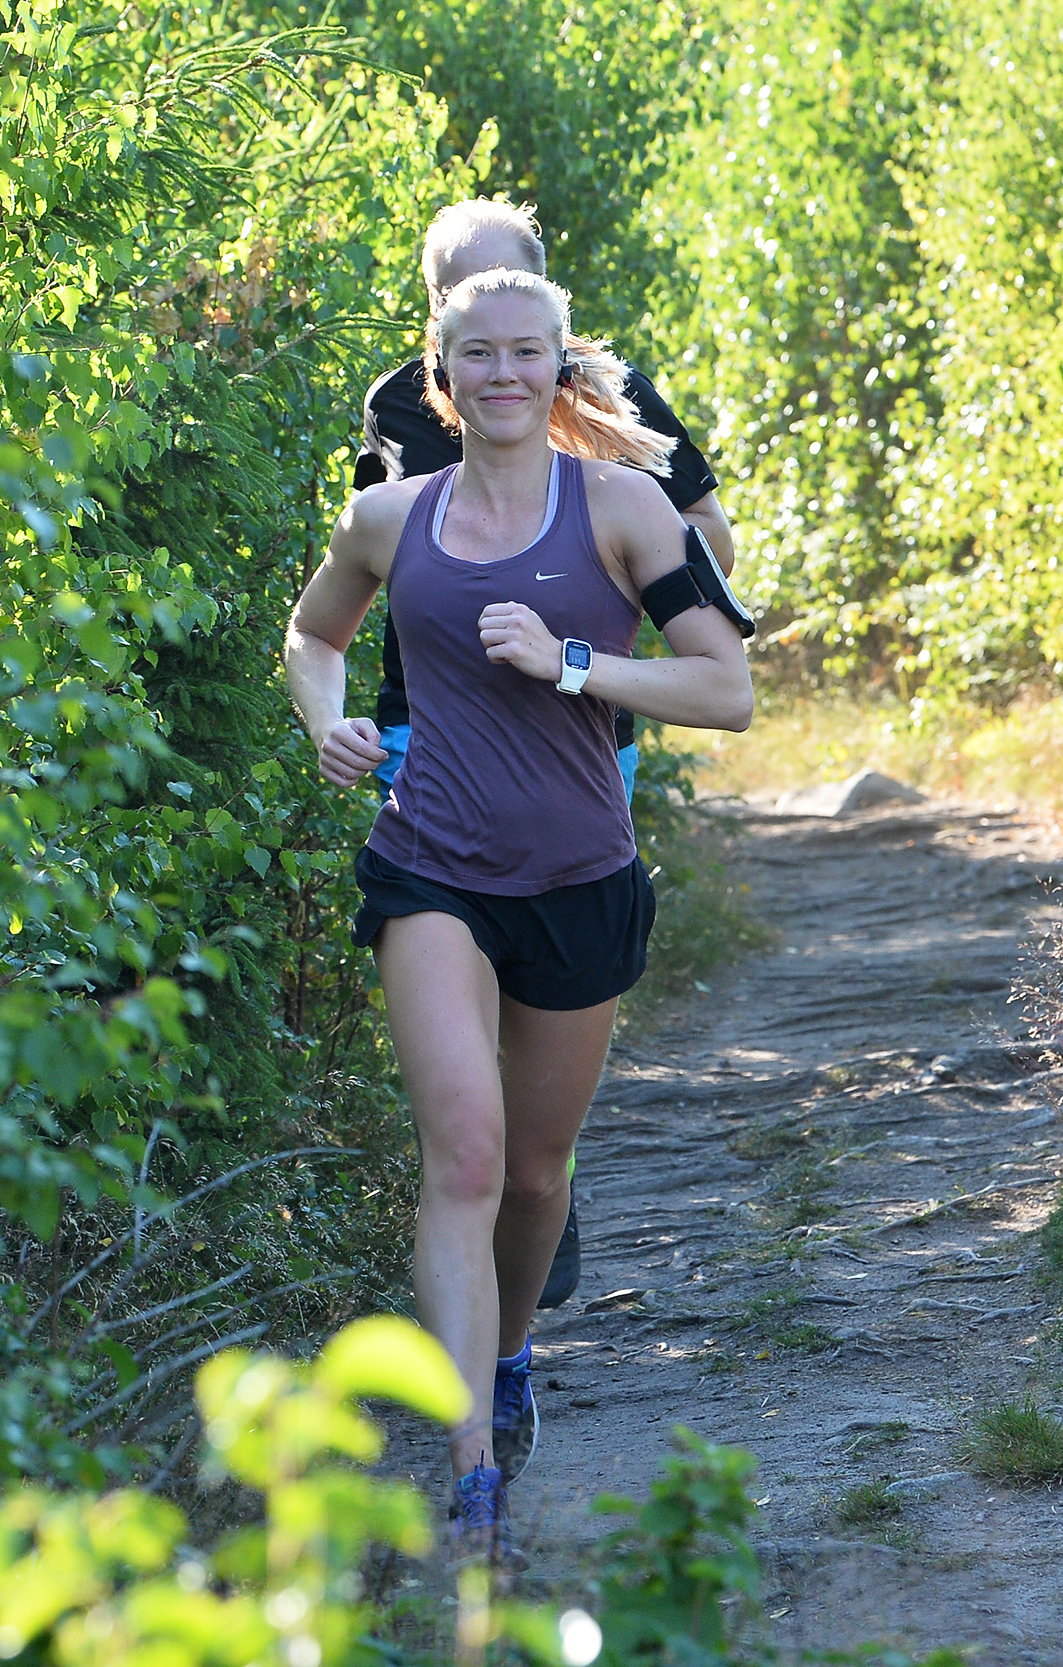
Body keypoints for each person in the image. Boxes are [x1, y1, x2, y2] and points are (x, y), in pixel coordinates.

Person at [285, 269, 753, 1560]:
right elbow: (315, 635)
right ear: (443, 375)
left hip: (576, 877)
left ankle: (509, 1350)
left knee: (537, 1175)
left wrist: (578, 663)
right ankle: (470, 1460)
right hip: (430, 861)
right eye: (475, 356)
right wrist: (328, 721)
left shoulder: (621, 507)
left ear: (562, 370)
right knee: (469, 1157)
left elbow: (729, 689)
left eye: (525, 354)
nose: (501, 375)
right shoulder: (389, 517)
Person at [349, 200, 739, 1313]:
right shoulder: (396, 401)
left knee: (548, 965)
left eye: (513, 296)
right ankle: (470, 1164)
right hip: (424, 710)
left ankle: (538, 1173)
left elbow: (706, 538)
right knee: (442, 929)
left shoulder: (609, 397)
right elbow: (365, 542)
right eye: (462, 300)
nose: (498, 349)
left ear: (551, 310)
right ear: (437, 318)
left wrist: (608, 605)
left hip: (580, 717)